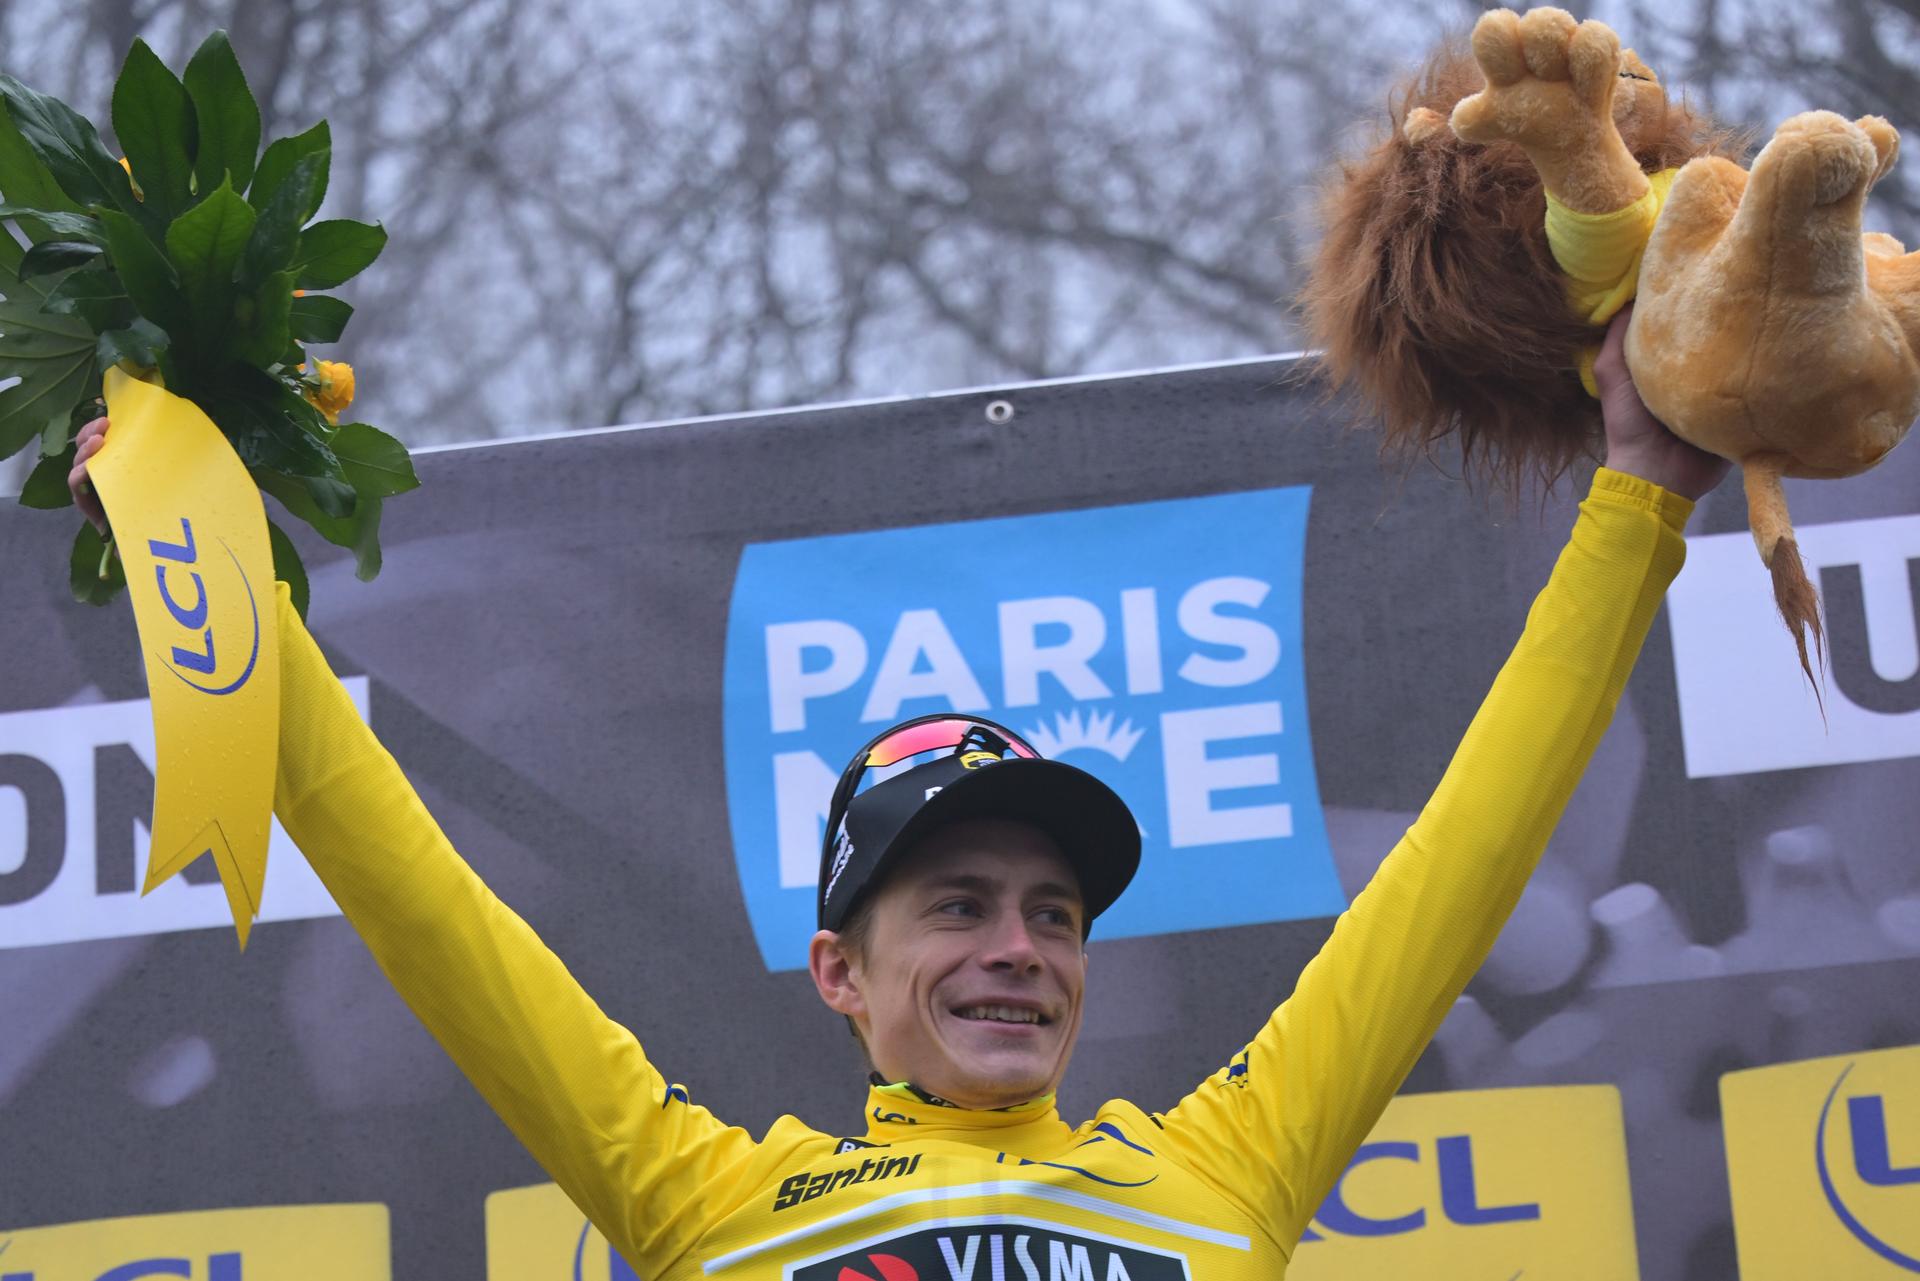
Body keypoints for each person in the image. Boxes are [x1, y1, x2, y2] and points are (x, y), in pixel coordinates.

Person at [68, 307, 1727, 1278]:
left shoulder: (1226, 1170)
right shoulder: (713, 1202)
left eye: (1053, 910)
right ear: (838, 973)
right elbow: (428, 906)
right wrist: (214, 575)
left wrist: (1639, 500)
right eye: (956, 900)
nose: (1021, 943)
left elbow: (1468, 845)